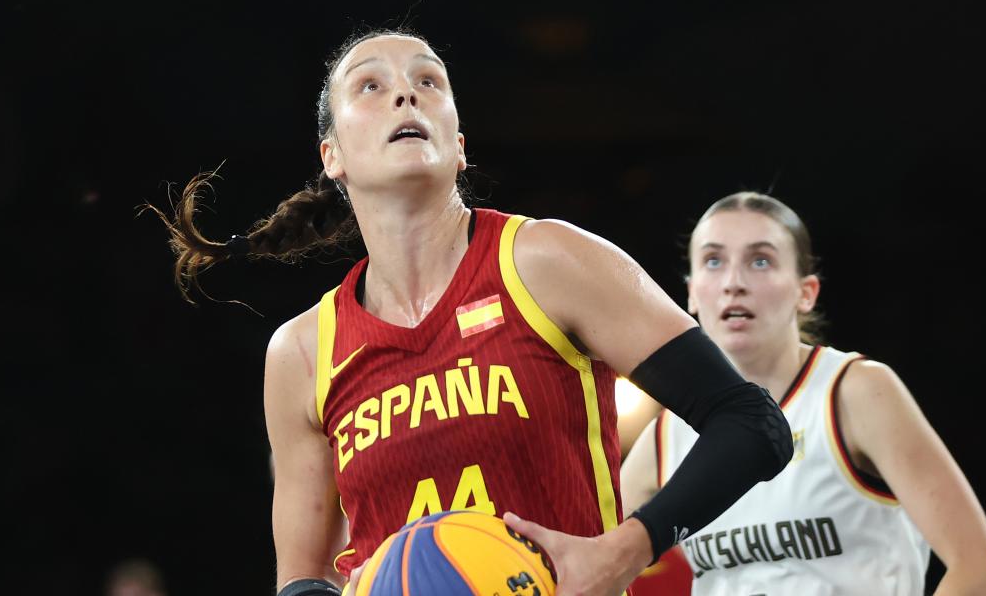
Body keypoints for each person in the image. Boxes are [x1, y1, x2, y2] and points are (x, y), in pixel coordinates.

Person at [147, 31, 794, 596]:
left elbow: (752, 422)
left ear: (458, 144)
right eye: (370, 86)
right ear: (332, 156)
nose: (406, 94)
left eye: (429, 80)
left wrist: (622, 552)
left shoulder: (545, 261)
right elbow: (303, 579)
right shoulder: (303, 351)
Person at [620, 192, 986, 595]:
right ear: (690, 292)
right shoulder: (665, 436)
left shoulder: (856, 392)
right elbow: (582, 562)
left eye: (760, 261)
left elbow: (982, 572)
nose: (733, 283)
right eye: (713, 261)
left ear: (806, 292)